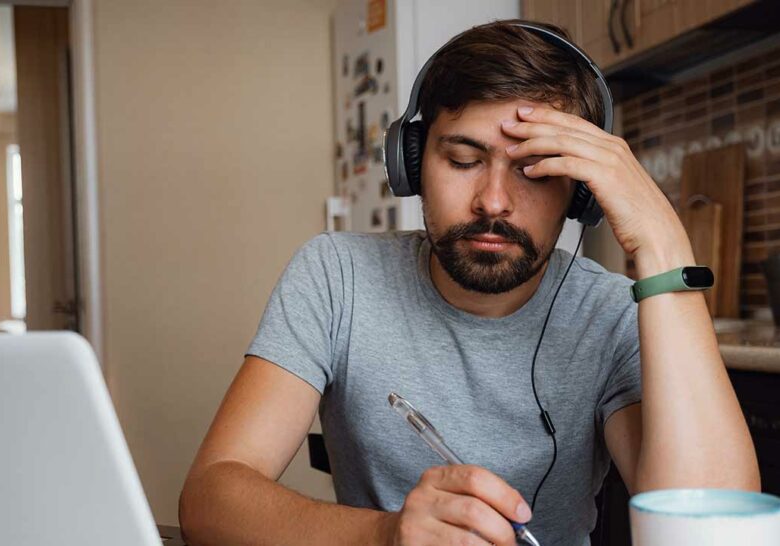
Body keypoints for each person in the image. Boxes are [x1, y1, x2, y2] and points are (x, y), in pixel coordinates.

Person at [178, 19, 759, 546]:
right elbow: (210, 499)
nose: (493, 202)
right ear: (411, 165)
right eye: (462, 160)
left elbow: (716, 535)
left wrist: (662, 242)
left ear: (580, 193)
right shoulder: (335, 276)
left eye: (534, 169)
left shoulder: (609, 314)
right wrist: (387, 536)